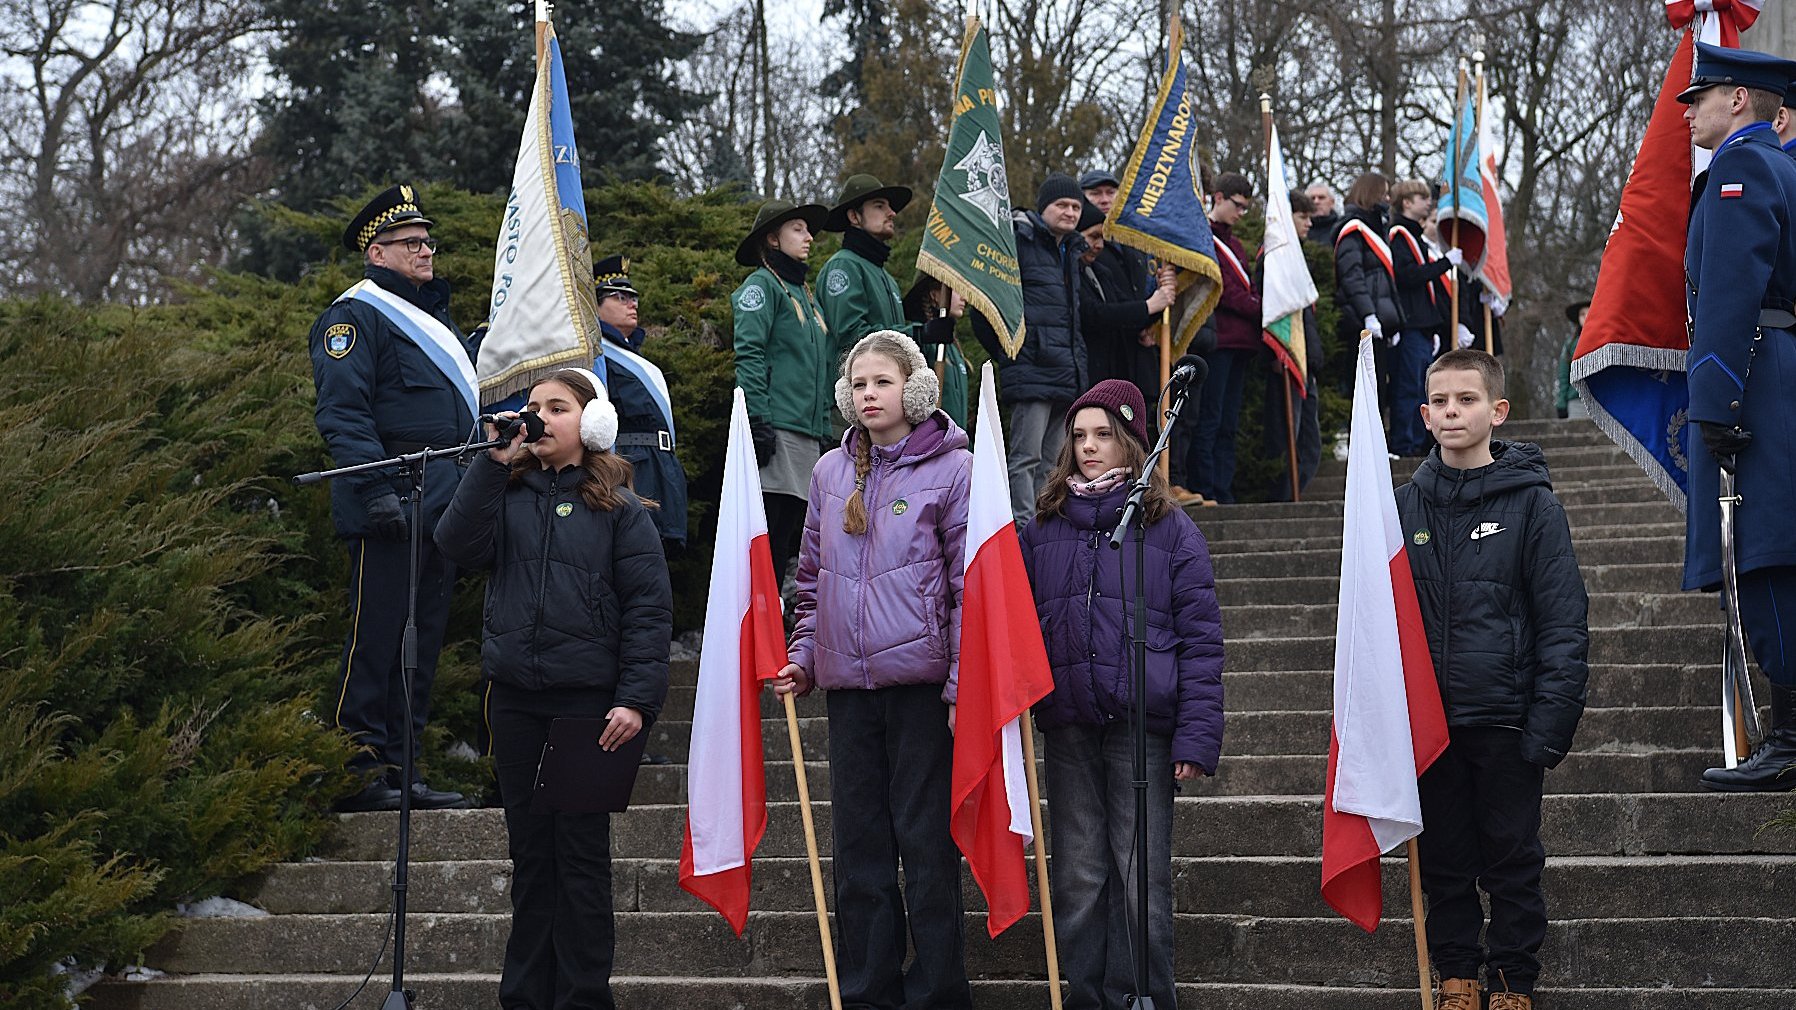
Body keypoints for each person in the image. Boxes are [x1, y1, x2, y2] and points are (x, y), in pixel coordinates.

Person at [435, 367, 672, 1010]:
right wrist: (491, 463)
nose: (537, 416)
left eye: (556, 407)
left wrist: (635, 699)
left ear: (589, 426)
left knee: (582, 863)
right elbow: (453, 542)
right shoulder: (502, 489)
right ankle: (525, 999)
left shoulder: (620, 508)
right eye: (532, 405)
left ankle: (584, 999)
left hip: (586, 708)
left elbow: (649, 611)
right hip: (515, 700)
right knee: (531, 858)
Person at [770, 330, 974, 1010]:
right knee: (858, 851)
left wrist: (959, 683)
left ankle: (938, 990)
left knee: (924, 846)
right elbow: (809, 578)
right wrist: (803, 657)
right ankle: (866, 991)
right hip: (848, 691)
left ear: (914, 390)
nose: (869, 394)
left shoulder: (953, 468)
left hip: (920, 690)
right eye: (859, 385)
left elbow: (968, 585)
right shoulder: (829, 473)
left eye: (882, 382)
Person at [1019, 378, 1225, 1010]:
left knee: (1141, 877)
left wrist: (1196, 736)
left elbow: (1202, 641)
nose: (1089, 447)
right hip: (1071, 722)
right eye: (1078, 436)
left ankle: (1144, 996)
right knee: (1079, 874)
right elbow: (1019, 626)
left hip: (1143, 727)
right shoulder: (1042, 530)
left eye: (1103, 434)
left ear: (1133, 442)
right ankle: (1087, 997)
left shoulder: (1171, 531)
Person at [1397, 349, 1589, 1010]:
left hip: (1506, 721)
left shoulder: (1534, 506)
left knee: (1511, 861)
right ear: (1424, 414)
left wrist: (1549, 723)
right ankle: (1456, 975)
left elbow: (1563, 619)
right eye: (1441, 402)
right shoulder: (1400, 507)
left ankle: (1511, 981)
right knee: (1445, 861)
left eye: (1467, 400)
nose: (1453, 411)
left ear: (1497, 410)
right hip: (1429, 727)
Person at [308, 184, 475, 812]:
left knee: (423, 641)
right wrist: (375, 490)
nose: (425, 250)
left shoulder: (433, 318)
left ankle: (403, 769)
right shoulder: (355, 317)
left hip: (443, 500)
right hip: (390, 502)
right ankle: (357, 769)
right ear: (377, 253)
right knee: (376, 638)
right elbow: (344, 414)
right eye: (411, 243)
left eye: (427, 240)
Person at [1678, 42, 1796, 791]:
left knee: (1766, 556)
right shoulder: (1783, 163)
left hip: (1756, 378)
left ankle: (1788, 739)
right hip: (1777, 371)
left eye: (1703, 95)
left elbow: (1729, 291)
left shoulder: (1744, 165)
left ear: (1741, 101)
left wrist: (1714, 398)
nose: (1688, 109)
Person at [971, 173, 1090, 525]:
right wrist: (1013, 352)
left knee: (1054, 459)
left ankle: (1043, 524)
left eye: (1075, 207)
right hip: (1031, 368)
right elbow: (987, 303)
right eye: (1062, 205)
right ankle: (1022, 527)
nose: (1069, 213)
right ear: (1044, 208)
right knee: (1025, 457)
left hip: (1065, 370)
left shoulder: (1072, 250)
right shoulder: (1018, 240)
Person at [817, 174, 971, 427]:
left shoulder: (885, 277)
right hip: (855, 413)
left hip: (887, 410)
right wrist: (919, 334)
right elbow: (853, 338)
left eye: (889, 207)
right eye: (880, 206)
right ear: (854, 216)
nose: (892, 213)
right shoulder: (843, 267)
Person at [732, 199, 832, 587]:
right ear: (772, 239)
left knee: (795, 535)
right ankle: (764, 621)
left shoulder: (805, 292)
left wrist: (824, 424)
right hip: (777, 429)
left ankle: (782, 618)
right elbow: (750, 354)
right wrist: (757, 419)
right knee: (772, 534)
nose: (809, 237)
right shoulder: (761, 287)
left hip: (806, 432)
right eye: (798, 229)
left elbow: (820, 366)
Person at [593, 255, 688, 551]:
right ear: (595, 305)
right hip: (631, 470)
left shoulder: (633, 358)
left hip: (660, 470)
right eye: (619, 297)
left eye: (632, 297)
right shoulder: (597, 356)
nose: (631, 303)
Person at [1074, 197, 1177, 439]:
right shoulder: (1072, 274)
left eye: (1102, 238)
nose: (1099, 245)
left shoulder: (1100, 271)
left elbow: (1128, 312)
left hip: (1114, 372)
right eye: (1093, 237)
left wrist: (1160, 297)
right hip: (1088, 374)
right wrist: (1150, 305)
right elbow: (1094, 314)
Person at [1189, 172, 1262, 504]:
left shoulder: (1235, 244)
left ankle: (1224, 489)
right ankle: (1205, 488)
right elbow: (1226, 293)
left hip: (1241, 344)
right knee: (1210, 420)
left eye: (1246, 208)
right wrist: (1261, 308)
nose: (1241, 214)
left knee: (1229, 424)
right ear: (1218, 198)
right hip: (1218, 342)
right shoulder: (1202, 236)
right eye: (1237, 206)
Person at [1388, 178, 1465, 456]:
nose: (1427, 203)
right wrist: (1444, 264)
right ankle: (1404, 445)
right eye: (1421, 198)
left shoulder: (1414, 237)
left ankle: (1420, 444)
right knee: (1409, 389)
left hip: (1422, 327)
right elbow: (1407, 276)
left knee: (1423, 391)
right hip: (1410, 325)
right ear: (1407, 203)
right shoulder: (1399, 235)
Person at [1261, 189, 1325, 501]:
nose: (1309, 223)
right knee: (1288, 440)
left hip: (1305, 362)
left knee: (1310, 444)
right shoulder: (1273, 259)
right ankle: (1283, 499)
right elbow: (1271, 312)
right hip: (1286, 361)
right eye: (1302, 217)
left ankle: (1292, 496)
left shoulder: (1297, 260)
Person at [1333, 173, 1404, 434]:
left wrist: (1395, 321)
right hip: (1360, 320)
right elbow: (1352, 275)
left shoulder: (1378, 228)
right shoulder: (1353, 228)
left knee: (1380, 388)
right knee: (1363, 390)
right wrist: (1368, 314)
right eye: (1384, 193)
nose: (1388, 199)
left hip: (1380, 322)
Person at [1555, 299, 1590, 420]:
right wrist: (1561, 402)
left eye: (1589, 313)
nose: (1586, 317)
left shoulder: (1607, 341)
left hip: (1604, 400)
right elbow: (1563, 375)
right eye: (1582, 314)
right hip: (1576, 400)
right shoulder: (1570, 345)